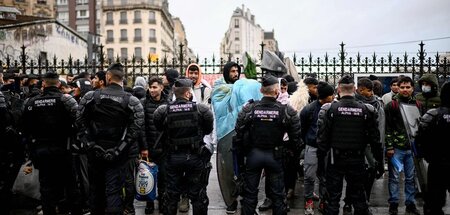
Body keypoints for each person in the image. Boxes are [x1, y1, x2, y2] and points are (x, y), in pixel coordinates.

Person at [77, 63, 144, 214]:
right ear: (122, 78)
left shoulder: (91, 97)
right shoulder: (131, 101)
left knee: (96, 191)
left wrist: (91, 145)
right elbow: (135, 130)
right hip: (117, 155)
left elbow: (80, 122)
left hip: (95, 153)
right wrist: (118, 150)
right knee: (114, 192)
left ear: (107, 77)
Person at [234, 75, 301, 215]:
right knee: (278, 196)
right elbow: (296, 139)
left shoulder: (249, 108)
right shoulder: (286, 111)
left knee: (249, 194)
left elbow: (238, 135)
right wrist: (289, 154)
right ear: (277, 91)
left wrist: (242, 156)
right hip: (275, 156)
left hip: (254, 155)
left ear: (261, 90)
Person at [317, 75, 382, 215]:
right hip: (357, 159)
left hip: (336, 159)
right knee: (359, 198)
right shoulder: (367, 110)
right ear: (355, 89)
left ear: (338, 89)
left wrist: (321, 166)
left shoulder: (329, 110)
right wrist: (379, 162)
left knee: (333, 199)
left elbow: (322, 141)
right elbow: (375, 140)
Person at [22, 71, 81, 215]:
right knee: (70, 185)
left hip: (41, 151)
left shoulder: (31, 102)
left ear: (43, 83)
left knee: (46, 186)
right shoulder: (66, 100)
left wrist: (31, 150)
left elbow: (25, 128)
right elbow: (79, 123)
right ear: (59, 84)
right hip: (63, 149)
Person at [153, 78, 214, 215]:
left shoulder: (164, 110)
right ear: (188, 94)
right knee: (198, 195)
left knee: (171, 196)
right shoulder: (201, 110)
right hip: (195, 157)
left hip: (173, 158)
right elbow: (208, 128)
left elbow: (158, 126)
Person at [343, 78, 386, 215]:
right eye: (368, 91)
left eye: (370, 91)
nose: (370, 94)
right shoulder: (353, 103)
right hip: (356, 146)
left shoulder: (378, 104)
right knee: (353, 177)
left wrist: (379, 147)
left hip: (371, 146)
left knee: (370, 176)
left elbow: (381, 127)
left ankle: (364, 203)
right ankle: (348, 203)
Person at [384, 76, 421, 215]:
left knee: (410, 178)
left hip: (412, 149)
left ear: (412, 88)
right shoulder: (391, 105)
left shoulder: (418, 105)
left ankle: (410, 204)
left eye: (408, 87)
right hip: (396, 148)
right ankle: (393, 203)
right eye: (402, 87)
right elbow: (387, 128)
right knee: (393, 177)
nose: (405, 90)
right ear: (397, 88)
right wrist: (389, 147)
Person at [301, 81, 335, 215]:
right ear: (325, 96)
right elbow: (303, 128)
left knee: (325, 177)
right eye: (330, 95)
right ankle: (308, 200)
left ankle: (323, 200)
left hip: (327, 148)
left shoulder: (333, 108)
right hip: (312, 147)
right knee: (309, 176)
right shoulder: (309, 109)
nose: (332, 97)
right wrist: (308, 141)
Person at [416, 82, 450, 215]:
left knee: (434, 200)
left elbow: (420, 139)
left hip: (437, 163)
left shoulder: (433, 114)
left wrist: (427, 155)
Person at [139, 76, 169, 214]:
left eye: (155, 87)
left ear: (161, 87)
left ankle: (163, 202)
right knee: (148, 177)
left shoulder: (168, 103)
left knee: (163, 177)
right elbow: (142, 127)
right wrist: (144, 147)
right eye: (150, 87)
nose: (152, 90)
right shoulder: (143, 103)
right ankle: (149, 203)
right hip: (149, 148)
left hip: (164, 148)